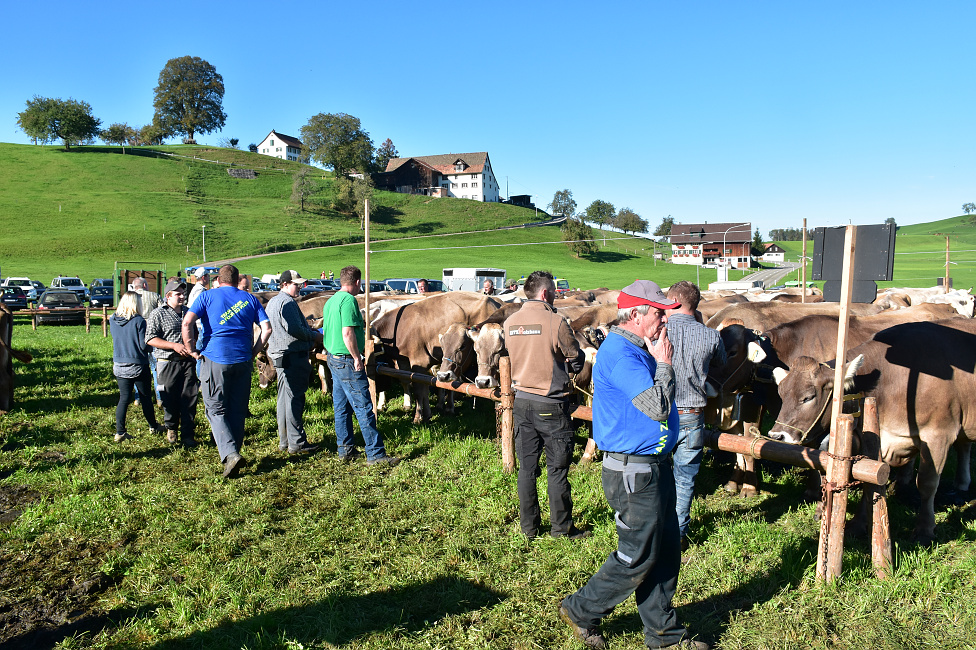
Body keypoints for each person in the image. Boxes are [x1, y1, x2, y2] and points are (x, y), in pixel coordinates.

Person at [559, 280, 709, 650]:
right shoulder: (623, 355)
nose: (664, 321)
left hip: (652, 465)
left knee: (666, 549)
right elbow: (656, 405)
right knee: (637, 556)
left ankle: (665, 637)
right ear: (637, 316)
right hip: (634, 473)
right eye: (659, 313)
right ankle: (581, 609)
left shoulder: (635, 348)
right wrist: (664, 364)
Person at [504, 270, 589, 539]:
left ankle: (529, 528)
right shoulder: (555, 322)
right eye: (553, 291)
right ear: (544, 294)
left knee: (527, 469)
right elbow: (575, 358)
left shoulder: (510, 322)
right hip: (551, 404)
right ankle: (561, 529)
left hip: (522, 403)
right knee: (557, 469)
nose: (555, 295)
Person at [182, 265, 271, 478]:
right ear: (237, 279)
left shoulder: (207, 297)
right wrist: (253, 352)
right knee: (237, 410)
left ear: (218, 279)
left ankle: (231, 454)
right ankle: (234, 454)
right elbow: (267, 328)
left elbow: (187, 322)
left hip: (215, 358)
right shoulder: (249, 299)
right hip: (242, 359)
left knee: (215, 408)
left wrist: (191, 349)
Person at [665, 281, 726, 551]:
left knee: (654, 472)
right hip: (692, 413)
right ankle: (677, 535)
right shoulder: (711, 336)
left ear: (676, 300)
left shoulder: (658, 330)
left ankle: (653, 527)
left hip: (660, 412)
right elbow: (722, 363)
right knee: (685, 477)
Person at [322, 265, 398, 466]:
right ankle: (375, 453)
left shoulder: (331, 301)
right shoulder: (348, 301)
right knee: (364, 406)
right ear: (357, 282)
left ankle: (345, 449)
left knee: (341, 407)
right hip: (347, 360)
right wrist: (357, 357)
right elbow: (347, 333)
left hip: (333, 358)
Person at [266, 270, 323, 455]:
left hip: (280, 356)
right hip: (292, 355)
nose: (299, 287)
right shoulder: (287, 303)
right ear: (284, 284)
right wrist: (315, 335)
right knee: (294, 400)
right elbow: (295, 329)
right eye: (295, 284)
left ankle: (285, 440)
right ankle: (297, 443)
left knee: (284, 399)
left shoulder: (273, 302)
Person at [146, 279, 199, 447]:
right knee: (170, 397)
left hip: (187, 362)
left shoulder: (188, 312)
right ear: (168, 296)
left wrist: (193, 348)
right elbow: (150, 339)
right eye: (178, 294)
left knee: (190, 397)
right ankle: (171, 427)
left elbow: (195, 333)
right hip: (168, 362)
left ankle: (188, 433)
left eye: (183, 294)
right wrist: (173, 346)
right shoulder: (158, 314)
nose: (182, 297)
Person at [110, 292, 165, 443]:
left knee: (124, 398)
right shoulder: (139, 321)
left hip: (119, 364)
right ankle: (153, 426)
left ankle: (120, 431)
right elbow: (143, 345)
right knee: (145, 397)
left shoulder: (112, 319)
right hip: (138, 364)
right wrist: (150, 348)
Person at [132, 277, 163, 405]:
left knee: (137, 367)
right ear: (144, 285)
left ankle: (138, 397)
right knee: (156, 367)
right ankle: (160, 397)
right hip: (153, 335)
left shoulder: (130, 298)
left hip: (136, 336)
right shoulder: (154, 296)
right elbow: (163, 312)